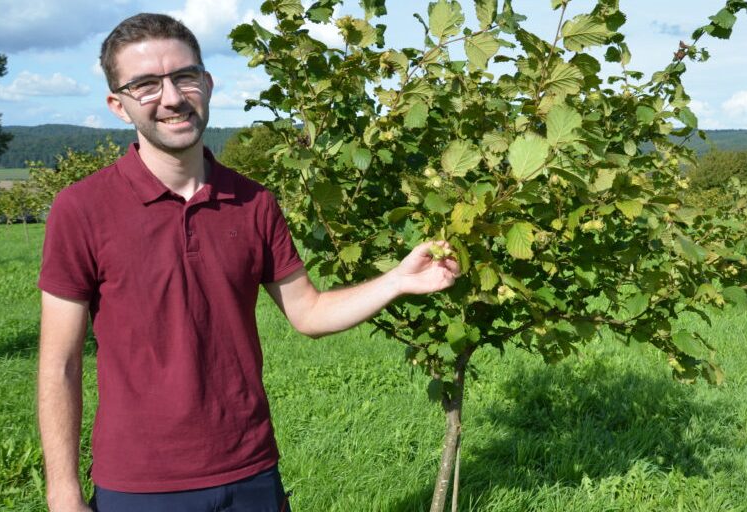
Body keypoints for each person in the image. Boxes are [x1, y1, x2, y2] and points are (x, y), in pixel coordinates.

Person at [36, 13, 460, 512]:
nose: (172, 98)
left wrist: (397, 281)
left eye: (184, 76)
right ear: (118, 105)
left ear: (208, 84)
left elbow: (309, 313)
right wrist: (63, 492)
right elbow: (60, 364)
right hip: (139, 484)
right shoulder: (82, 209)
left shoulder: (254, 202)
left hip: (251, 469)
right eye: (146, 85)